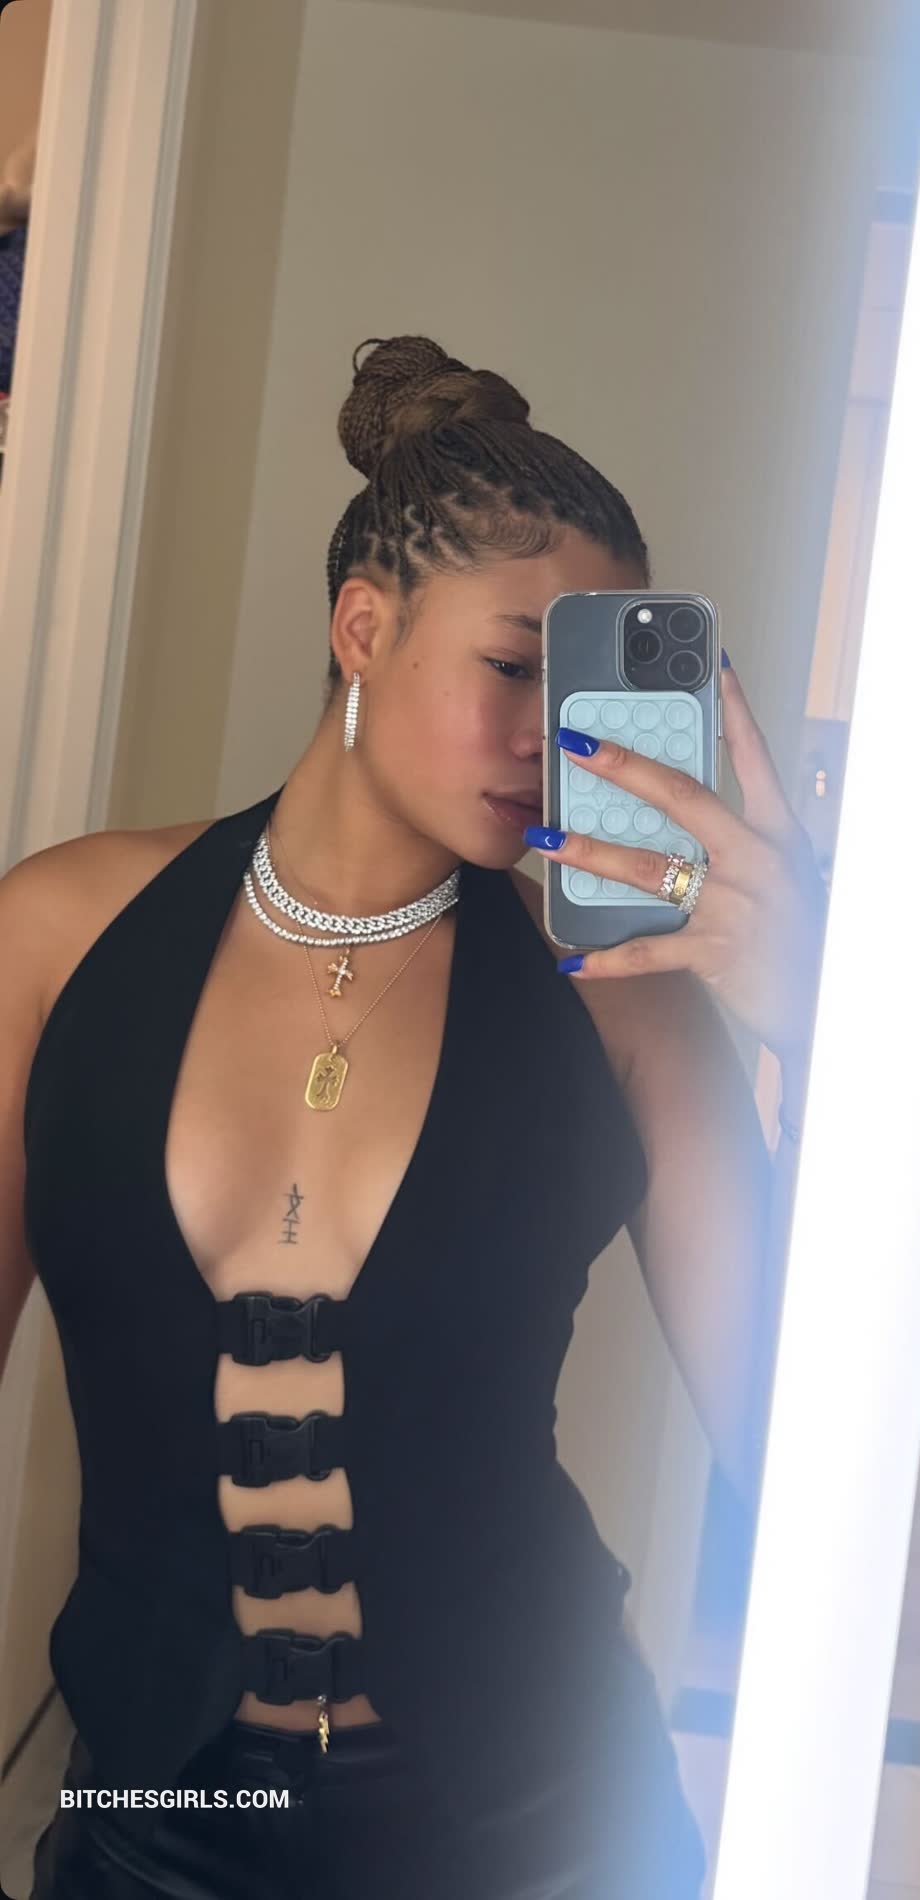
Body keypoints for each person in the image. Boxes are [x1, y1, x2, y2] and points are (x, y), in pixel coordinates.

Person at [0, 335, 827, 1898]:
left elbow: (800, 1445)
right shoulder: (56, 938)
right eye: (513, 667)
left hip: (542, 1825)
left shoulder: (625, 997)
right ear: (363, 628)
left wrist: (823, 1037)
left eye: (588, 689)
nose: (552, 740)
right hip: (157, 1825)